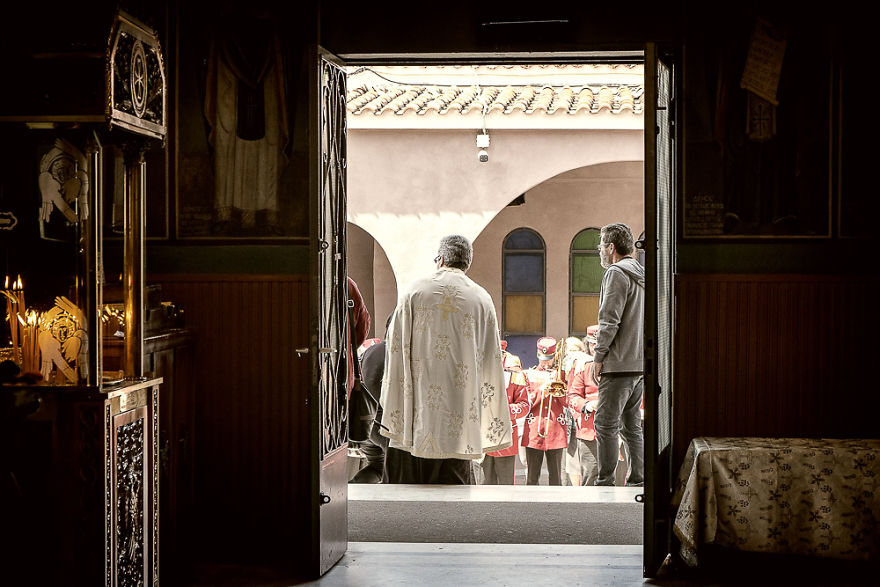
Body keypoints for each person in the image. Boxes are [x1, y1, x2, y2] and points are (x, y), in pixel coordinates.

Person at [380, 235, 511, 484]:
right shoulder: (481, 298)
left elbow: (395, 349)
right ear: (467, 263)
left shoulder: (415, 290)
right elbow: (490, 360)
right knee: (456, 494)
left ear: (440, 259)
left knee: (410, 494)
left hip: (417, 412)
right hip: (460, 415)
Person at [591, 223, 645, 487]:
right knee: (632, 425)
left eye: (601, 245)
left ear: (611, 247)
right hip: (638, 363)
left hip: (618, 362)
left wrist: (598, 357)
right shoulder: (641, 274)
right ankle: (638, 478)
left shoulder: (616, 273)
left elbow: (609, 320)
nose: (600, 250)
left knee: (605, 423)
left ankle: (605, 481)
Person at [480, 340, 530, 485]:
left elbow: (524, 405)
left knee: (506, 485)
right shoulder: (477, 372)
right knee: (483, 485)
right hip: (482, 438)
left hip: (505, 437)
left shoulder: (515, 375)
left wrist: (504, 410)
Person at [521, 337, 568, 485]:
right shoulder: (529, 374)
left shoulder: (561, 375)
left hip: (555, 429)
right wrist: (542, 390)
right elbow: (526, 402)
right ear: (537, 355)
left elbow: (566, 401)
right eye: (543, 359)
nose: (545, 362)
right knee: (532, 477)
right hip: (535, 429)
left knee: (556, 477)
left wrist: (556, 387)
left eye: (549, 359)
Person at [566, 325, 600, 486]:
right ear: (588, 345)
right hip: (589, 428)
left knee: (617, 475)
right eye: (593, 344)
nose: (596, 348)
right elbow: (572, 396)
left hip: (617, 428)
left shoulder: (616, 365)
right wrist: (587, 405)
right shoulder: (583, 367)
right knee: (590, 473)